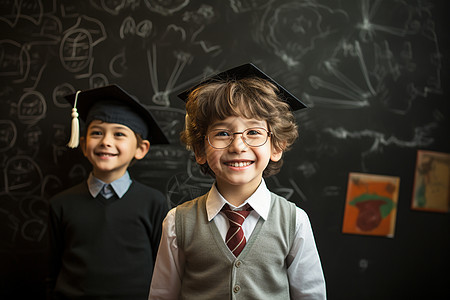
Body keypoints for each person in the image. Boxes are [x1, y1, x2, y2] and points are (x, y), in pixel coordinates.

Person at [149, 63, 326, 299]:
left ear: (277, 146)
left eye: (253, 132)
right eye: (222, 133)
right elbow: (162, 296)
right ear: (200, 149)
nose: (238, 146)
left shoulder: (294, 221)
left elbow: (310, 295)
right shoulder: (176, 223)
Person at [47, 84, 170, 300]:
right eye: (96, 133)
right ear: (84, 145)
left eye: (119, 134)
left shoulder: (153, 203)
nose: (106, 142)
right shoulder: (61, 204)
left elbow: (162, 268)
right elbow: (51, 269)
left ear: (140, 149)